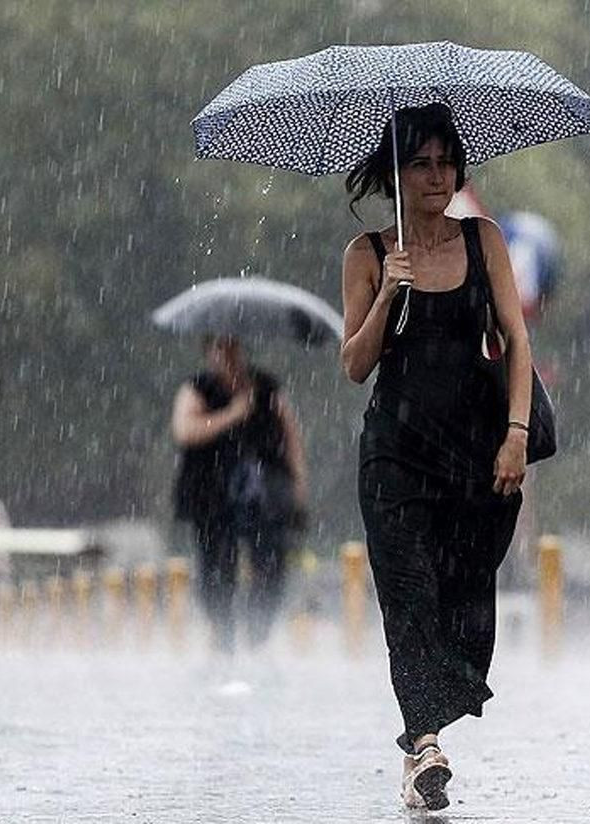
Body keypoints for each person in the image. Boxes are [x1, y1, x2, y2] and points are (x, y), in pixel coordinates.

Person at [340, 103, 532, 811]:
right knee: (408, 595)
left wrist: (515, 432)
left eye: (446, 161)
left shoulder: (483, 241)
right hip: (393, 456)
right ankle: (423, 747)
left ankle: (426, 721)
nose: (437, 175)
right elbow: (354, 364)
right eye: (420, 163)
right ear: (395, 172)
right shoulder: (366, 255)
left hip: (472, 455)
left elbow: (515, 339)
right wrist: (389, 290)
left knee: (463, 598)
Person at [170, 335, 307, 652]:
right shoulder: (197, 388)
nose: (228, 354)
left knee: (271, 563)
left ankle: (258, 635)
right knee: (216, 566)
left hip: (264, 497)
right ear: (209, 352)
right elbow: (184, 430)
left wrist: (298, 486)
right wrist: (231, 414)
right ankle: (223, 635)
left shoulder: (266, 387)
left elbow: (291, 438)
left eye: (233, 346)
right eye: (220, 347)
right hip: (212, 496)